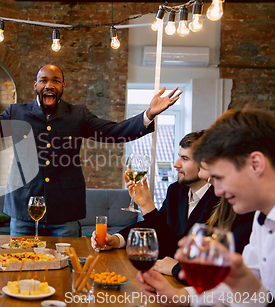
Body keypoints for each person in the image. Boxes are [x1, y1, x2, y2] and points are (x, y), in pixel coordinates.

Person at [0, 64, 182, 236]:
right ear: (36, 86)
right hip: (22, 210)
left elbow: (113, 132)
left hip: (65, 211)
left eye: (55, 80)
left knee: (63, 272)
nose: (49, 84)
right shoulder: (17, 112)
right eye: (43, 80)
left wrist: (147, 114)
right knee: (19, 267)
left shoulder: (79, 115)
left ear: (62, 86)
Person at [137, 109, 275, 307]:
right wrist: (182, 296)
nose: (217, 191)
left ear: (255, 164)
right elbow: (254, 293)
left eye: (219, 178)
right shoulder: (262, 218)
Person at [91, 131, 219, 258]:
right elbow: (154, 226)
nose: (176, 164)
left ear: (205, 163)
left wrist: (147, 206)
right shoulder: (176, 190)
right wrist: (116, 240)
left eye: (185, 159)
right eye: (179, 156)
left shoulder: (219, 201)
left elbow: (176, 248)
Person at [125, 166, 254, 285]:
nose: (217, 191)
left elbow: (222, 272)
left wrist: (178, 268)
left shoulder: (238, 210)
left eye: (219, 179)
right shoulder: (176, 190)